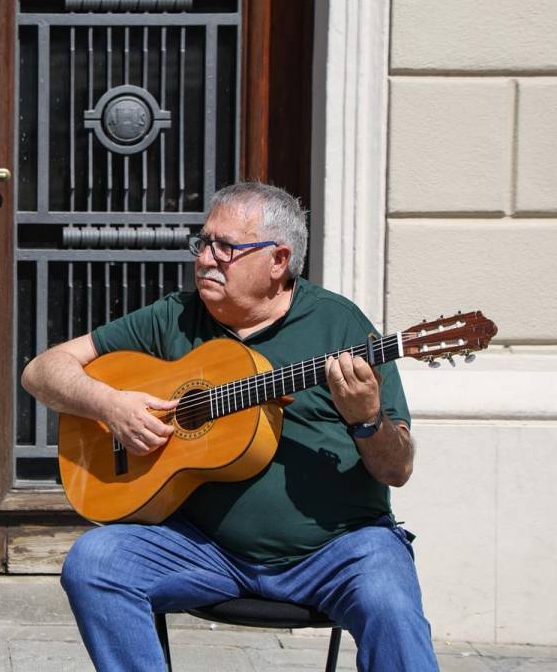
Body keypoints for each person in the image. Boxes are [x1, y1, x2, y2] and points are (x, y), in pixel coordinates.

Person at [21, 182, 437, 672]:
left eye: (226, 247)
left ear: (278, 260)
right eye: (204, 242)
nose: (205, 258)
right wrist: (109, 403)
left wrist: (367, 420)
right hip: (204, 548)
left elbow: (398, 469)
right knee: (95, 563)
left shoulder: (339, 326)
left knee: (390, 600)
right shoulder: (176, 316)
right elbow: (41, 371)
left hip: (338, 550)